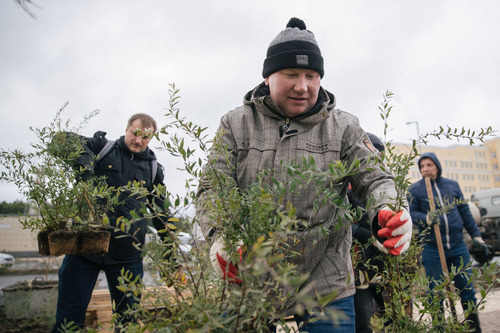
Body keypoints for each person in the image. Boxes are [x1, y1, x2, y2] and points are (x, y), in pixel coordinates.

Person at [196, 18, 412, 332]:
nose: (303, 86)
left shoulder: (344, 126)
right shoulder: (235, 123)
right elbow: (213, 185)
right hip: (252, 284)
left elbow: (376, 180)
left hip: (325, 287)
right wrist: (220, 235)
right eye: (291, 74)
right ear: (268, 76)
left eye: (312, 76)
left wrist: (390, 209)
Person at [52, 113, 173, 332]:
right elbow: (60, 140)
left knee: (127, 322)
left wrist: (171, 251)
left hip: (127, 255)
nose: (139, 140)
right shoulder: (102, 147)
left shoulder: (153, 169)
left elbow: (161, 213)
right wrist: (85, 163)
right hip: (85, 250)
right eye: (135, 133)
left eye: (146, 137)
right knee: (67, 321)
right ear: (127, 129)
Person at [408, 152, 488, 332]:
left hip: (458, 246)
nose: (425, 169)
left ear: (437, 165)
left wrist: (477, 236)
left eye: (429, 165)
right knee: (436, 294)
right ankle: (440, 329)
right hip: (432, 248)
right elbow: (411, 215)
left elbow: (465, 212)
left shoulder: (452, 186)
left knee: (467, 292)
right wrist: (426, 217)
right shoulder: (415, 190)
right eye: (422, 166)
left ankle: (474, 329)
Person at [350, 133, 387, 333]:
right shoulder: (347, 189)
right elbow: (342, 225)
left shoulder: (389, 188)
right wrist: (369, 236)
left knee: (392, 316)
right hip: (359, 266)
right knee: (363, 321)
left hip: (386, 264)